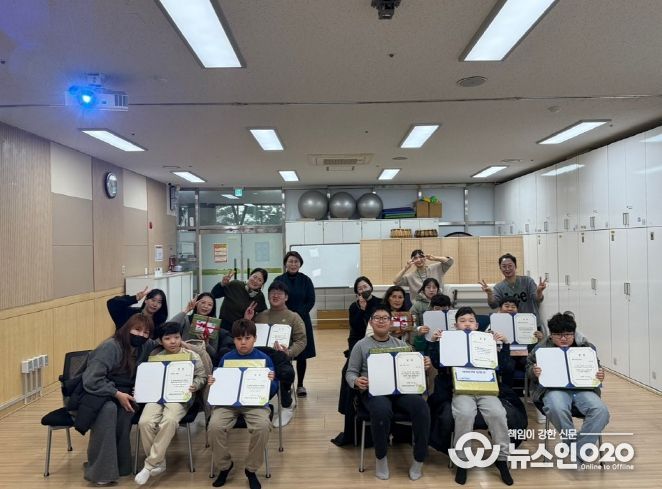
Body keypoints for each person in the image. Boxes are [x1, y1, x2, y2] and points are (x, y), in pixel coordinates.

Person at [346, 306, 432, 481]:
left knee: (421, 407)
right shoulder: (361, 345)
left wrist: (423, 365)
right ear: (371, 322)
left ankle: (419, 459)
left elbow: (414, 369)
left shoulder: (401, 345)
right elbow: (350, 372)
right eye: (377, 318)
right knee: (381, 410)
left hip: (400, 391)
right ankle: (381, 457)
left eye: (385, 318)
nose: (381, 321)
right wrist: (356, 381)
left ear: (391, 322)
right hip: (375, 390)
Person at [434, 307, 513, 486]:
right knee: (464, 414)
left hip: (486, 389)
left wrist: (505, 345)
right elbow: (438, 365)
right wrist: (435, 343)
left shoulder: (486, 341)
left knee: (498, 414)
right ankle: (462, 460)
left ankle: (502, 459)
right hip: (461, 390)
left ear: (477, 325)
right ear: (455, 325)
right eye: (462, 321)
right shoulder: (450, 341)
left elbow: (504, 368)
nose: (467, 324)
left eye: (471, 321)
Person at [78, 314, 156, 485]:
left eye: (146, 332)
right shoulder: (110, 347)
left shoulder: (146, 345)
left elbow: (167, 342)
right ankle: (100, 473)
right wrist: (116, 394)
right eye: (137, 329)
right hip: (96, 391)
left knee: (126, 411)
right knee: (108, 410)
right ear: (127, 328)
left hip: (122, 393)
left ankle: (121, 466)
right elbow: (91, 379)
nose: (141, 335)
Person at [527, 313, 609, 460]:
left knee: (601, 411)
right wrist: (533, 372)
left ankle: (578, 450)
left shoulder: (586, 347)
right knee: (556, 407)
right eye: (558, 335)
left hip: (584, 389)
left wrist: (599, 374)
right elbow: (528, 368)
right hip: (553, 389)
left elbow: (596, 368)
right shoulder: (541, 348)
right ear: (551, 335)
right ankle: (575, 447)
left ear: (574, 333)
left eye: (568, 334)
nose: (563, 338)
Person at [134, 322, 208, 485]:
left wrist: (195, 385)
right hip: (157, 397)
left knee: (169, 420)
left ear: (181, 337)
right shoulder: (156, 358)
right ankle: (159, 463)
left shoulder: (191, 355)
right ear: (161, 341)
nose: (173, 341)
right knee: (145, 422)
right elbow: (149, 379)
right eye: (168, 338)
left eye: (176, 337)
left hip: (179, 397)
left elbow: (202, 377)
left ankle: (150, 465)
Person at [208, 319, 278, 489]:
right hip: (228, 404)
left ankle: (251, 469)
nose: (243, 342)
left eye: (247, 338)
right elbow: (219, 387)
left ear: (255, 338)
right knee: (214, 426)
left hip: (255, 403)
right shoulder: (226, 358)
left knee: (262, 426)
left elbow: (272, 390)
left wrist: (271, 382)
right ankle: (225, 466)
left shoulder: (264, 359)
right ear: (234, 340)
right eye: (239, 339)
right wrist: (213, 382)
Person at [249, 281, 307, 427]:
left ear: (286, 297)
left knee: (281, 369)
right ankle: (255, 404)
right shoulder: (260, 316)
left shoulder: (293, 317)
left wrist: (288, 352)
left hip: (281, 357)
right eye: (272, 293)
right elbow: (248, 336)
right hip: (259, 357)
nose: (275, 296)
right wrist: (248, 320)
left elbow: (301, 341)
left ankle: (286, 405)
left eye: (279, 293)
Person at [273, 251, 316, 397]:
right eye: (290, 261)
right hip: (282, 320)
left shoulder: (306, 280)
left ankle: (300, 385)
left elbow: (311, 300)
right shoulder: (279, 280)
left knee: (302, 353)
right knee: (284, 353)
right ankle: (286, 384)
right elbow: (274, 297)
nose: (293, 264)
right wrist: (286, 314)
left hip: (302, 320)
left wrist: (296, 315)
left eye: (296, 261)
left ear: (300, 264)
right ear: (286, 263)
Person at [479, 253, 547, 332]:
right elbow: (493, 305)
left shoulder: (527, 281)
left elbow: (538, 299)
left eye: (510, 265)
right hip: (510, 325)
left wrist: (539, 291)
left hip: (530, 324)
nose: (507, 269)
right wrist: (489, 294)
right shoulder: (499, 287)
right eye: (504, 266)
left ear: (515, 266)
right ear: (500, 268)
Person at [170, 293, 234, 361]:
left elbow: (214, 354)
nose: (206, 306)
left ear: (213, 308)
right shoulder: (186, 319)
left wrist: (207, 344)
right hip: (184, 357)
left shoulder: (213, 325)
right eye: (203, 302)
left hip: (203, 361)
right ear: (196, 304)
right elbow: (169, 326)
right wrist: (186, 310)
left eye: (210, 304)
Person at [211, 268, 268, 334]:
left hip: (243, 332)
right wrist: (222, 284)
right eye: (254, 277)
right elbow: (214, 295)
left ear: (262, 284)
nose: (255, 281)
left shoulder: (259, 296)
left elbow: (263, 314)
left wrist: (252, 321)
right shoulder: (235, 284)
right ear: (250, 276)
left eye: (259, 280)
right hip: (224, 330)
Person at [348, 276, 382, 352]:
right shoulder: (354, 306)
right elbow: (355, 327)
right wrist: (362, 309)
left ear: (371, 287)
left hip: (377, 337)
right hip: (358, 339)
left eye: (365, 287)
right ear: (357, 292)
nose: (363, 290)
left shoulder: (380, 302)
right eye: (360, 289)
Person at [409, 278, 441, 352]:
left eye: (434, 287)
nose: (431, 290)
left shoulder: (444, 303)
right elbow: (412, 326)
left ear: (438, 290)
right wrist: (419, 330)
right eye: (428, 287)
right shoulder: (417, 305)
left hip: (441, 339)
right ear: (423, 290)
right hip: (423, 340)